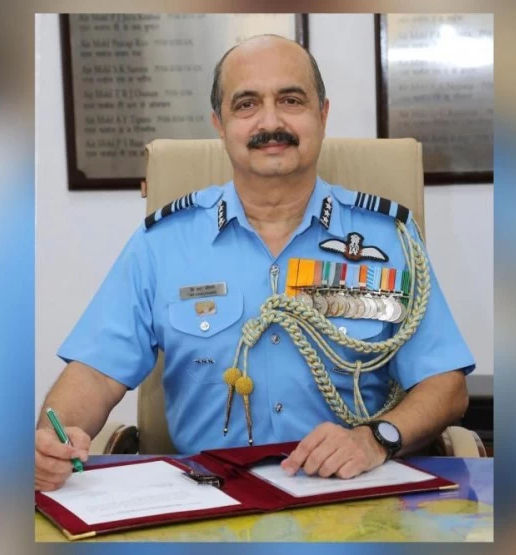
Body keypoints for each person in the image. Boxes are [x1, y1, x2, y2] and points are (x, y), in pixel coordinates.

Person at [35, 35, 474, 492]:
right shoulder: (162, 244)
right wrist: (51, 440)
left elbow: (445, 384)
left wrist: (376, 439)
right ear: (219, 124)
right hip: (209, 498)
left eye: (291, 100)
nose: (271, 122)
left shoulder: (389, 238)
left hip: (351, 493)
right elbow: (95, 373)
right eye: (246, 104)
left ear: (322, 115)